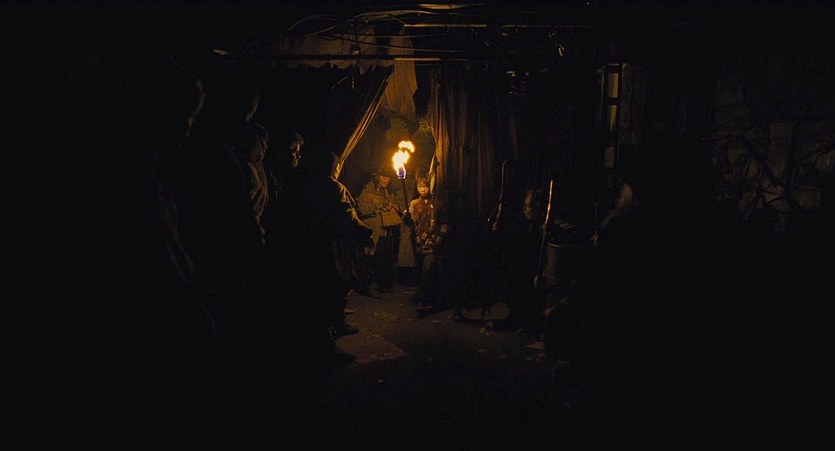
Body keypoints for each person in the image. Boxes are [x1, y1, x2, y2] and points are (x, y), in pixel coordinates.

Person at [357, 166, 406, 295]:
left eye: (388, 178)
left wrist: (396, 207)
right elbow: (362, 210)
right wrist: (380, 207)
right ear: (377, 178)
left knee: (386, 258)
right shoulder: (368, 191)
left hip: (387, 230)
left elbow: (397, 206)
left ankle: (385, 284)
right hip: (375, 230)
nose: (386, 181)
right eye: (384, 178)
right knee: (373, 257)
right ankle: (371, 286)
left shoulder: (388, 193)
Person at [410, 173, 443, 315]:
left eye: (425, 186)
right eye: (420, 186)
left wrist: (440, 238)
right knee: (420, 272)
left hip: (432, 243)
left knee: (427, 272)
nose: (422, 189)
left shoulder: (437, 204)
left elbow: (444, 223)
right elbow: (411, 224)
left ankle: (424, 302)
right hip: (418, 244)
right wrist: (405, 217)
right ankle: (424, 297)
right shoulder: (414, 204)